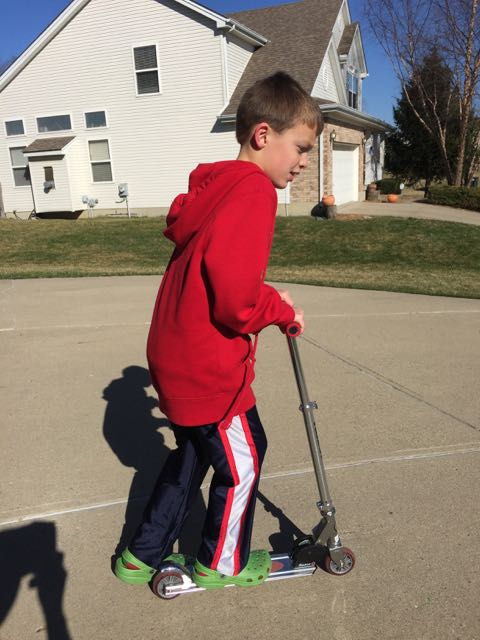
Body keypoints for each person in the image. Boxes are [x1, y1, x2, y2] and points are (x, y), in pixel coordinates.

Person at [114, 71, 323, 590]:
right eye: (300, 147)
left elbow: (219, 272)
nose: (304, 161)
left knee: (190, 454)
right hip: (208, 366)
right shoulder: (254, 191)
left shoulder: (218, 187)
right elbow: (235, 304)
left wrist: (266, 295)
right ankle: (221, 562)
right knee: (245, 459)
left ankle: (140, 555)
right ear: (262, 135)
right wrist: (279, 308)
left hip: (177, 355)